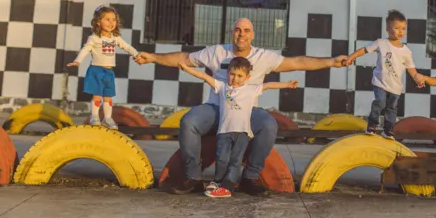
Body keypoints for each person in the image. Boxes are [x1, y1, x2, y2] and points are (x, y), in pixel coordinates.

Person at [134, 18, 348, 195]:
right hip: (216, 109)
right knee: (189, 121)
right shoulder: (217, 52)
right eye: (237, 30)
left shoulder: (264, 57)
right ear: (232, 33)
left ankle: (250, 178)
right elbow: (183, 58)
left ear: (252, 35)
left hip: (247, 112)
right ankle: (192, 177)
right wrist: (152, 57)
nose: (241, 34)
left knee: (269, 125)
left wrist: (331, 62)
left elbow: (298, 62)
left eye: (246, 30)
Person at [178, 57, 298, 198]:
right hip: (224, 131)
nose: (235, 79)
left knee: (235, 159)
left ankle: (228, 186)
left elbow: (269, 85)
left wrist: (288, 84)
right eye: (232, 74)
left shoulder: (251, 89)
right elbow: (204, 76)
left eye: (240, 76)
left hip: (242, 133)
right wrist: (186, 69)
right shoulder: (222, 87)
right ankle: (218, 181)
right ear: (227, 73)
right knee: (221, 158)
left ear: (247, 77)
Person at [343, 10, 422, 140]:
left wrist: (417, 79)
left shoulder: (407, 51)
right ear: (388, 28)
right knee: (380, 102)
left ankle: (388, 130)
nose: (400, 31)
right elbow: (364, 50)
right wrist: (351, 57)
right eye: (397, 28)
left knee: (392, 108)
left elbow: (411, 69)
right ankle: (372, 125)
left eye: (403, 28)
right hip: (380, 82)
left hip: (396, 87)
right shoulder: (381, 43)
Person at [68, 5, 139, 129]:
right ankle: (94, 117)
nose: (111, 23)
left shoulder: (115, 38)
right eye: (107, 19)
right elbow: (86, 49)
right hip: (96, 70)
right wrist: (78, 60)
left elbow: (127, 47)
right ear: (98, 22)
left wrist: (137, 55)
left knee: (108, 97)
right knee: (97, 96)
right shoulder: (94, 38)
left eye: (114, 20)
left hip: (109, 71)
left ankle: (107, 118)